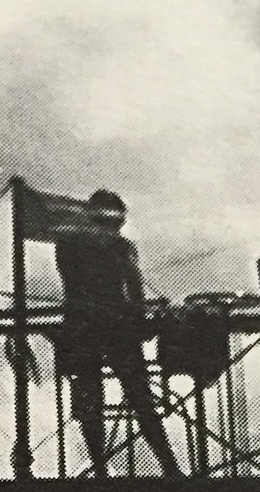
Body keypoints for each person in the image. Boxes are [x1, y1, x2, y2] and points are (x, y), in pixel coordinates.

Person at [54, 190, 181, 476]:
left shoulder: (123, 248)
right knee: (91, 399)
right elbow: (72, 285)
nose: (113, 227)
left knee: (139, 397)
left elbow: (134, 288)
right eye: (107, 220)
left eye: (117, 221)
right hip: (87, 327)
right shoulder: (70, 244)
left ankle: (168, 466)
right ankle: (101, 468)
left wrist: (137, 316)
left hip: (118, 327)